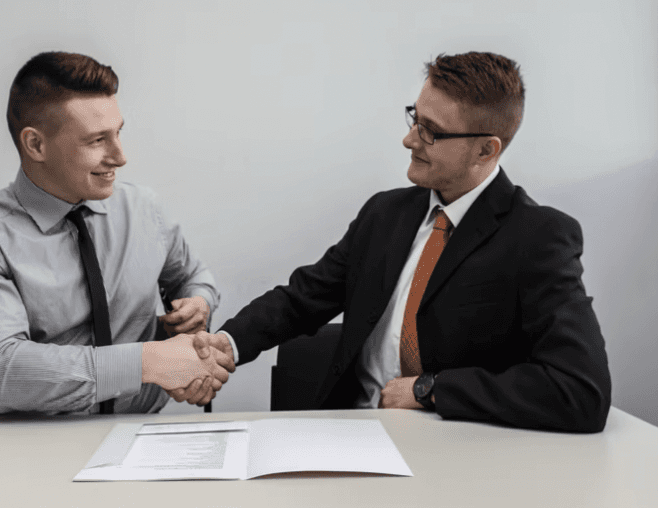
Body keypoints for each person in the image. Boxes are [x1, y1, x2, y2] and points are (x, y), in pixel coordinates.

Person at [180, 51, 611, 432]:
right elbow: (303, 298)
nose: (410, 140)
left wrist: (429, 390)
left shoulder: (538, 238)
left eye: (431, 131)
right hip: (349, 434)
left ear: (486, 150)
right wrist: (226, 344)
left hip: (455, 454)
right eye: (414, 119)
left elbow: (580, 391)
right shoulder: (385, 214)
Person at [0, 51, 233, 415]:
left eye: (118, 133)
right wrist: (148, 362)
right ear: (36, 145)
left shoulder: (143, 208)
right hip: (29, 448)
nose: (120, 157)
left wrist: (197, 304)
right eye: (97, 140)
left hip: (141, 434)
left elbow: (192, 277)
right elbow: (1, 374)